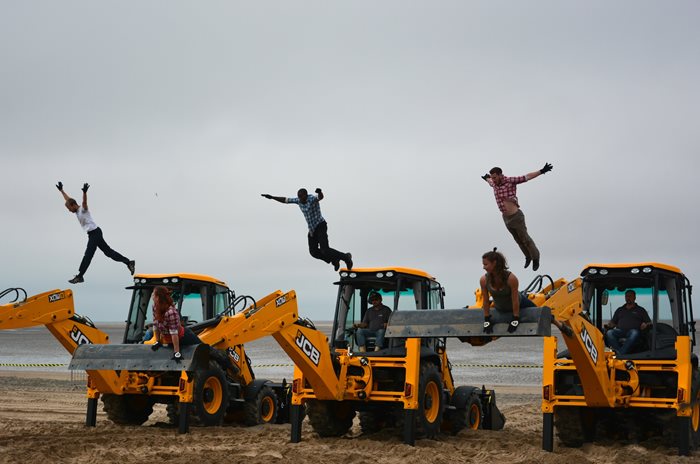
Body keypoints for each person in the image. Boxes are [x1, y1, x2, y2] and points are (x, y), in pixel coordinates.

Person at [56, 181, 135, 284]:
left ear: (73, 205)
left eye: (69, 208)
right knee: (108, 252)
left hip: (95, 234)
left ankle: (80, 276)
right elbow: (68, 199)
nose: (69, 211)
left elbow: (84, 203)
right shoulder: (74, 209)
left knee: (88, 255)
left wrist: (84, 192)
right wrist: (62, 191)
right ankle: (128, 262)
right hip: (94, 233)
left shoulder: (82, 210)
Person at [481, 163, 553, 271]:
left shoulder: (510, 181)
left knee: (525, 239)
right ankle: (527, 256)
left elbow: (526, 177)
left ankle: (535, 258)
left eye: (495, 177)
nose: (493, 180)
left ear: (500, 175)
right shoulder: (494, 183)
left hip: (516, 217)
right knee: (518, 240)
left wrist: (542, 171)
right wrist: (487, 178)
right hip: (506, 218)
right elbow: (489, 182)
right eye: (492, 178)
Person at [261, 188, 353, 271]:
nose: (301, 200)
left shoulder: (312, 199)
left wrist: (320, 192)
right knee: (314, 252)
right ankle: (333, 259)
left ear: (306, 195)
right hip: (312, 230)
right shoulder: (298, 201)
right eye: (299, 197)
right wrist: (272, 197)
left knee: (325, 249)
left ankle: (346, 257)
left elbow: (320, 197)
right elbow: (285, 200)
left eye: (302, 197)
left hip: (320, 225)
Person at [480, 249, 536, 334]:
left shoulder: (511, 278)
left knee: (539, 311)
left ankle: (560, 325)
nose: (483, 267)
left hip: (520, 303)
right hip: (500, 307)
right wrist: (486, 319)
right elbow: (486, 301)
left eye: (486, 264)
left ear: (494, 263)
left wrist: (515, 318)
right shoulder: (484, 280)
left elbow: (515, 300)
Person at [149, 286, 201, 361]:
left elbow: (174, 333)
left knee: (204, 350)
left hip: (183, 337)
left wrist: (176, 352)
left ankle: (222, 359)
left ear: (158, 297)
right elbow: (155, 324)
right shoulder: (155, 307)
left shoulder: (171, 312)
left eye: (153, 294)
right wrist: (158, 341)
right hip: (169, 339)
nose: (152, 296)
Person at [604, 290, 651, 355]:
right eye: (626, 296)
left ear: (634, 298)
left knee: (634, 332)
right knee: (609, 332)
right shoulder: (620, 309)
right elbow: (613, 323)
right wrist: (609, 325)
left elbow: (649, 323)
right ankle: (620, 352)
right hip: (620, 331)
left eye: (630, 296)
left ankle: (620, 354)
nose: (628, 298)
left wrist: (645, 324)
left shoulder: (640, 310)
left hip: (633, 332)